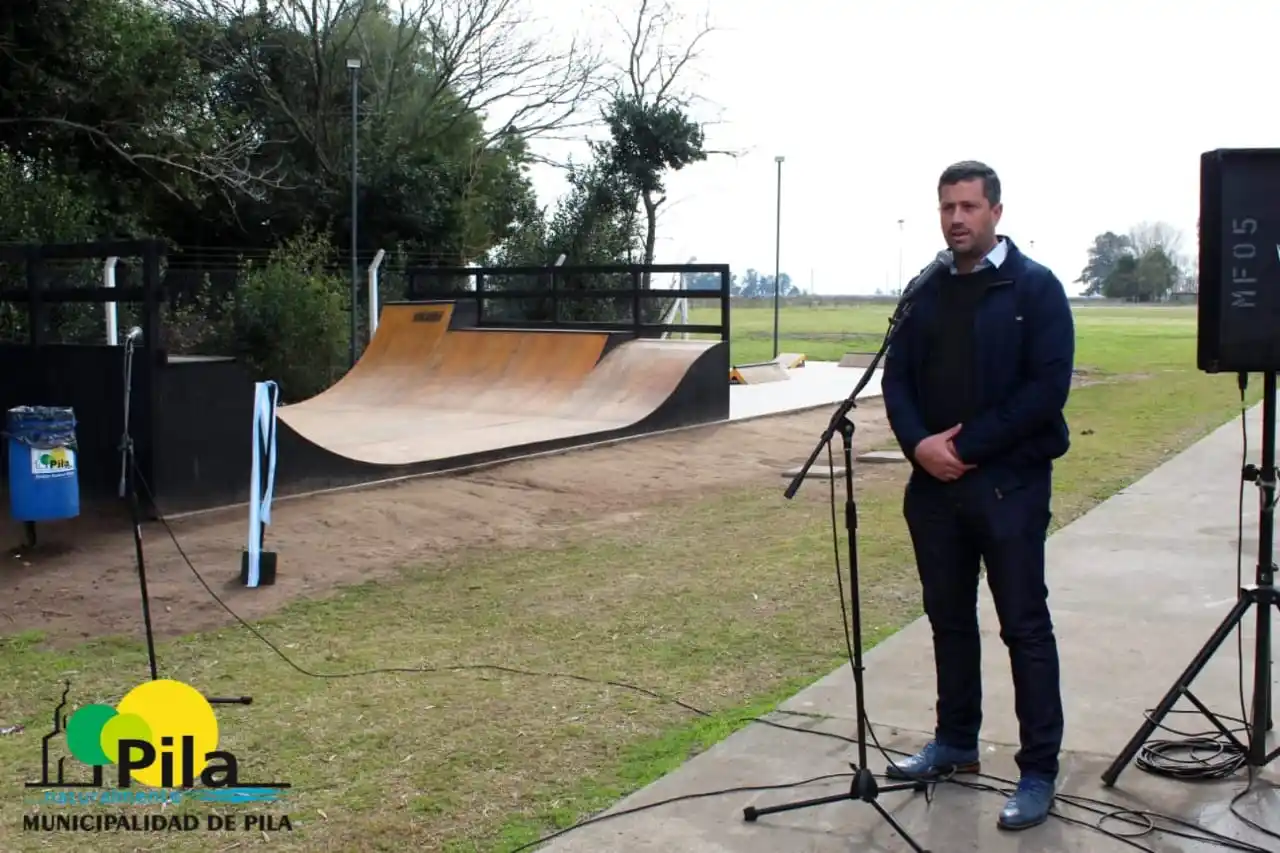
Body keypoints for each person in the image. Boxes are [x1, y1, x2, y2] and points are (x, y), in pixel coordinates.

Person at [880, 160, 1075, 831]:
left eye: (968, 206)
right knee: (948, 620)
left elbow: (1044, 392)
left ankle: (1039, 768)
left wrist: (964, 448)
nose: (956, 218)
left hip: (1009, 486)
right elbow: (896, 378)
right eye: (946, 207)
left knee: (1024, 626)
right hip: (933, 491)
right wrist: (918, 445)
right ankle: (956, 741)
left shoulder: (1036, 289)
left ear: (996, 210)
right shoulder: (925, 290)